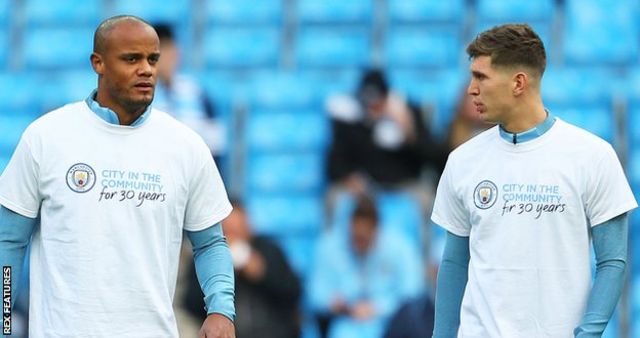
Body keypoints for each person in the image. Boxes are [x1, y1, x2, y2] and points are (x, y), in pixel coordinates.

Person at [0, 15, 235, 338]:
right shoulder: (46, 137)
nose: (147, 69)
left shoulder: (186, 145)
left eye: (153, 59)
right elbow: (9, 240)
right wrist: (5, 321)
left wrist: (221, 309)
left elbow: (210, 243)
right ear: (98, 63)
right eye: (131, 59)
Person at [430, 23, 637, 338]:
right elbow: (454, 262)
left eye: (481, 77)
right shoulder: (462, 160)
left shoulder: (593, 155)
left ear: (518, 83)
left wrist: (588, 333)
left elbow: (613, 261)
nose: (471, 88)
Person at [308, 194, 424, 338]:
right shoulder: (329, 246)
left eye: (363, 238)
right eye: (354, 237)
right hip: (345, 323)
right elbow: (315, 295)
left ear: (376, 229)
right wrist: (333, 303)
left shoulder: (401, 247)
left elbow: (412, 293)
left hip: (390, 324)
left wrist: (377, 308)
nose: (358, 244)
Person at [183, 199, 302, 338]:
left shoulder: (269, 250)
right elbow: (191, 303)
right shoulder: (207, 257)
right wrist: (223, 274)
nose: (234, 237)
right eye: (228, 231)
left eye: (238, 230)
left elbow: (293, 292)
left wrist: (262, 273)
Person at [326, 69, 447, 196]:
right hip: (366, 188)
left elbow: (435, 158)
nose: (373, 106)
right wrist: (348, 177)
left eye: (377, 100)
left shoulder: (408, 113)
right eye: (368, 100)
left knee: (426, 196)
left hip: (406, 185)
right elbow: (334, 163)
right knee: (337, 196)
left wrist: (409, 132)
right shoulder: (351, 121)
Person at [152, 23, 226, 167]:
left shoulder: (197, 93)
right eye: (160, 53)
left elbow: (215, 144)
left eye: (169, 50)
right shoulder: (139, 94)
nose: (165, 59)